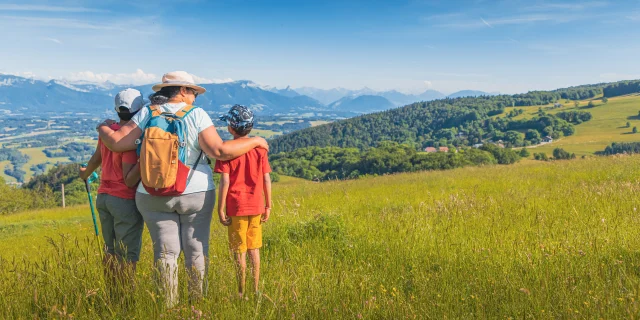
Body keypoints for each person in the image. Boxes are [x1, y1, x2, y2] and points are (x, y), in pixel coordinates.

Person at [96, 71, 269, 307]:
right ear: (183, 90)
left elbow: (117, 143)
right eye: (194, 92)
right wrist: (257, 141)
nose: (195, 97)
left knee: (165, 254)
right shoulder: (197, 115)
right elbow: (219, 151)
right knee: (195, 250)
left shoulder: (148, 112)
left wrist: (102, 128)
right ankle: (196, 305)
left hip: (152, 193)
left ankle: (167, 307)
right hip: (194, 192)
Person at [80, 88, 144, 292]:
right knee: (128, 254)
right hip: (124, 198)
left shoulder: (109, 132)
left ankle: (112, 292)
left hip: (104, 196)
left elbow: (98, 155)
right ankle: (126, 298)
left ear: (117, 109)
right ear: (140, 110)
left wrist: (86, 172)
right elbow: (131, 174)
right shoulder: (131, 137)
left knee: (110, 250)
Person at [215, 105, 272, 298]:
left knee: (239, 251)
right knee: (253, 250)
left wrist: (220, 208)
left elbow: (225, 181)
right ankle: (255, 290)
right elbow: (266, 179)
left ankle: (241, 292)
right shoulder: (260, 150)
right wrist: (268, 205)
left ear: (231, 127)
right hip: (256, 206)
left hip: (236, 206)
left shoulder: (227, 152)